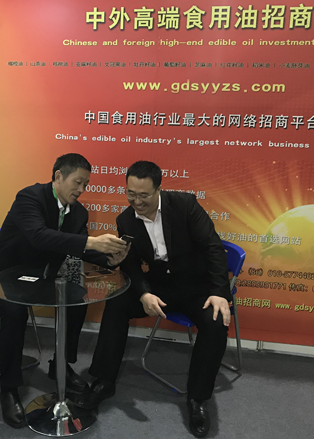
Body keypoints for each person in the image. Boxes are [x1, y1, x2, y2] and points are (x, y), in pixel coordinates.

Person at [76, 161, 232, 438]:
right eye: (131, 194)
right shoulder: (126, 220)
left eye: (143, 195)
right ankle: (104, 381)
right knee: (117, 302)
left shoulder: (184, 205)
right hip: (160, 287)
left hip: (197, 288)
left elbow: (213, 248)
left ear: (159, 189)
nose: (137, 202)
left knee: (216, 321)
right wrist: (144, 293)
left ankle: (197, 399)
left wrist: (219, 292)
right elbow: (131, 265)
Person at [0, 153, 128, 429]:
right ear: (58, 176)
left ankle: (61, 365)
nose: (81, 189)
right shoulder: (29, 198)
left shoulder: (78, 212)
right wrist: (92, 242)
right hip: (1, 279)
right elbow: (39, 236)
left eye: (86, 184)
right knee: (15, 312)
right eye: (78, 182)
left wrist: (110, 259)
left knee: (77, 298)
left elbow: (77, 248)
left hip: (41, 278)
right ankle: (9, 389)